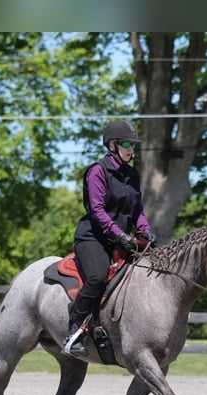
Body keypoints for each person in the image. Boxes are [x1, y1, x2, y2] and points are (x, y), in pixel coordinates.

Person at [62, 119, 156, 358]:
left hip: (121, 239)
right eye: (126, 144)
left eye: (132, 145)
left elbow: (138, 211)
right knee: (96, 277)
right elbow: (98, 211)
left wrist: (145, 231)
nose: (130, 149)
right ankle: (74, 330)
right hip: (93, 238)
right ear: (112, 145)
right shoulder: (97, 171)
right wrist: (120, 235)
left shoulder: (132, 174)